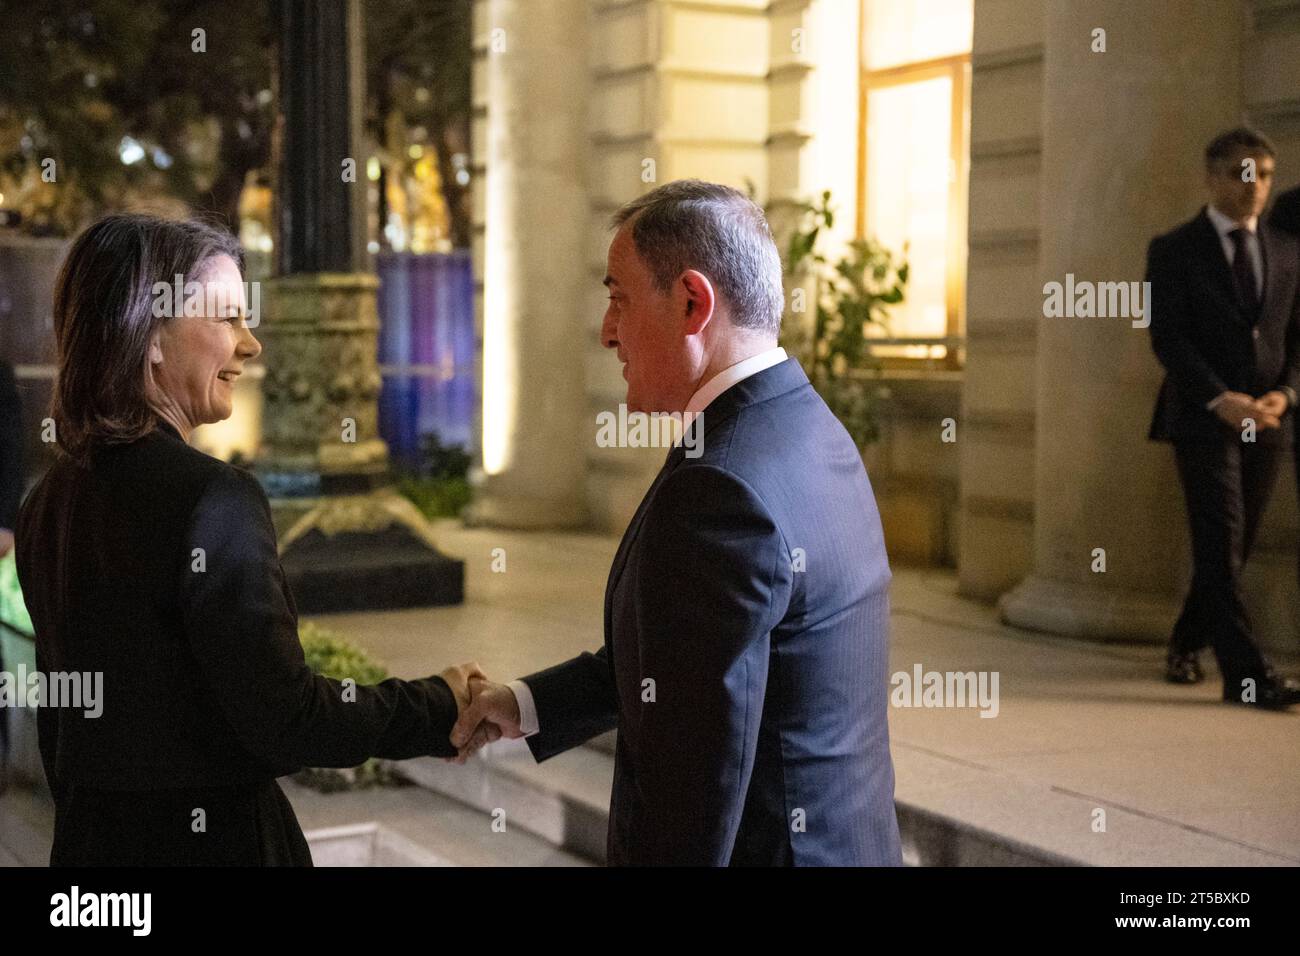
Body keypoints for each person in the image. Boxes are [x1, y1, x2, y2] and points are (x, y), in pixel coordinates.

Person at [15, 214, 490, 865]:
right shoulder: (215, 498)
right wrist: (437, 705)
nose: (250, 344)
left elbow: (61, 728)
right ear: (151, 335)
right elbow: (286, 717)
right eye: (228, 317)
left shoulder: (48, 501)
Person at [451, 180, 903, 865]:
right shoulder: (805, 426)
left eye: (619, 298)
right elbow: (692, 667)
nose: (607, 331)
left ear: (692, 302)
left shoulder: (719, 488)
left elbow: (693, 787)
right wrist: (526, 703)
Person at [1146, 127, 1300, 709]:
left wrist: (1285, 394)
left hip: (1268, 420)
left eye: (1263, 174)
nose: (1254, 187)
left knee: (1232, 551)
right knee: (1219, 542)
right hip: (1202, 418)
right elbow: (1168, 338)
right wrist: (1219, 398)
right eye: (1241, 173)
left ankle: (1184, 643)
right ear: (1211, 177)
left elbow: (1295, 338)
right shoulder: (1174, 249)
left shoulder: (1286, 249)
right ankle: (1249, 677)